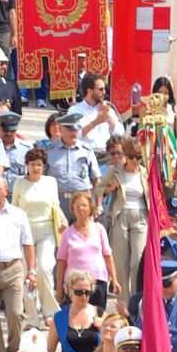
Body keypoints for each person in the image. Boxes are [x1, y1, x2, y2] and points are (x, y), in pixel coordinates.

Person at [12, 145, 65, 324]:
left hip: (47, 231)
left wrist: (63, 221)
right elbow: (14, 208)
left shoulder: (51, 182)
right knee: (28, 274)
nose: (36, 168)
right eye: (33, 164)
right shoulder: (19, 182)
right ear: (27, 165)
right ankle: (33, 318)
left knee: (44, 268)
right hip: (24, 232)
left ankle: (50, 312)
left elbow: (56, 206)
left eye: (40, 165)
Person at [0, 171, 35, 352]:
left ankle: (15, 350)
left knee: (15, 314)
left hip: (14, 270)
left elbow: (28, 244)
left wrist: (32, 271)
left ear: (6, 191)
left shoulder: (18, 214)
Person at [55, 189, 119, 310]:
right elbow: (62, 263)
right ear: (73, 209)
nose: (81, 208)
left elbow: (108, 256)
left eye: (84, 205)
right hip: (74, 283)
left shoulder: (99, 229)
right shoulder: (67, 234)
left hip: (98, 281)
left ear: (90, 208)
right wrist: (59, 289)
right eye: (77, 205)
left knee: (97, 319)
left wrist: (114, 280)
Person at [100, 136, 148, 295]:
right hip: (120, 215)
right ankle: (124, 303)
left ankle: (135, 300)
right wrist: (110, 187)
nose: (135, 160)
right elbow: (98, 190)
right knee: (120, 263)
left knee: (138, 260)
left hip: (141, 217)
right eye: (131, 157)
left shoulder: (144, 173)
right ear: (125, 156)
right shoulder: (115, 171)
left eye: (138, 157)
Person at [44, 111, 101, 218]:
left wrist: (99, 206)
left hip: (83, 201)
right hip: (58, 203)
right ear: (60, 129)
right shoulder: (49, 151)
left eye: (75, 129)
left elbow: (96, 180)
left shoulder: (86, 150)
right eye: (70, 130)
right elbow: (41, 180)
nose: (73, 133)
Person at [72, 72, 125, 159]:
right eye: (100, 89)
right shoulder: (75, 110)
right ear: (89, 91)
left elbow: (120, 134)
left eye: (104, 89)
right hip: (85, 157)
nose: (104, 92)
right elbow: (75, 136)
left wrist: (108, 116)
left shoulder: (108, 110)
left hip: (108, 158)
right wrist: (96, 122)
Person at [0, 110, 30, 192]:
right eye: (5, 130)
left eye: (12, 130)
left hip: (18, 194)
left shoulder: (26, 148)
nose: (9, 134)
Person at [0, 41, 21, 114]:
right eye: (1, 63)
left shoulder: (11, 86)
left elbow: (17, 114)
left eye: (6, 63)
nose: (5, 66)